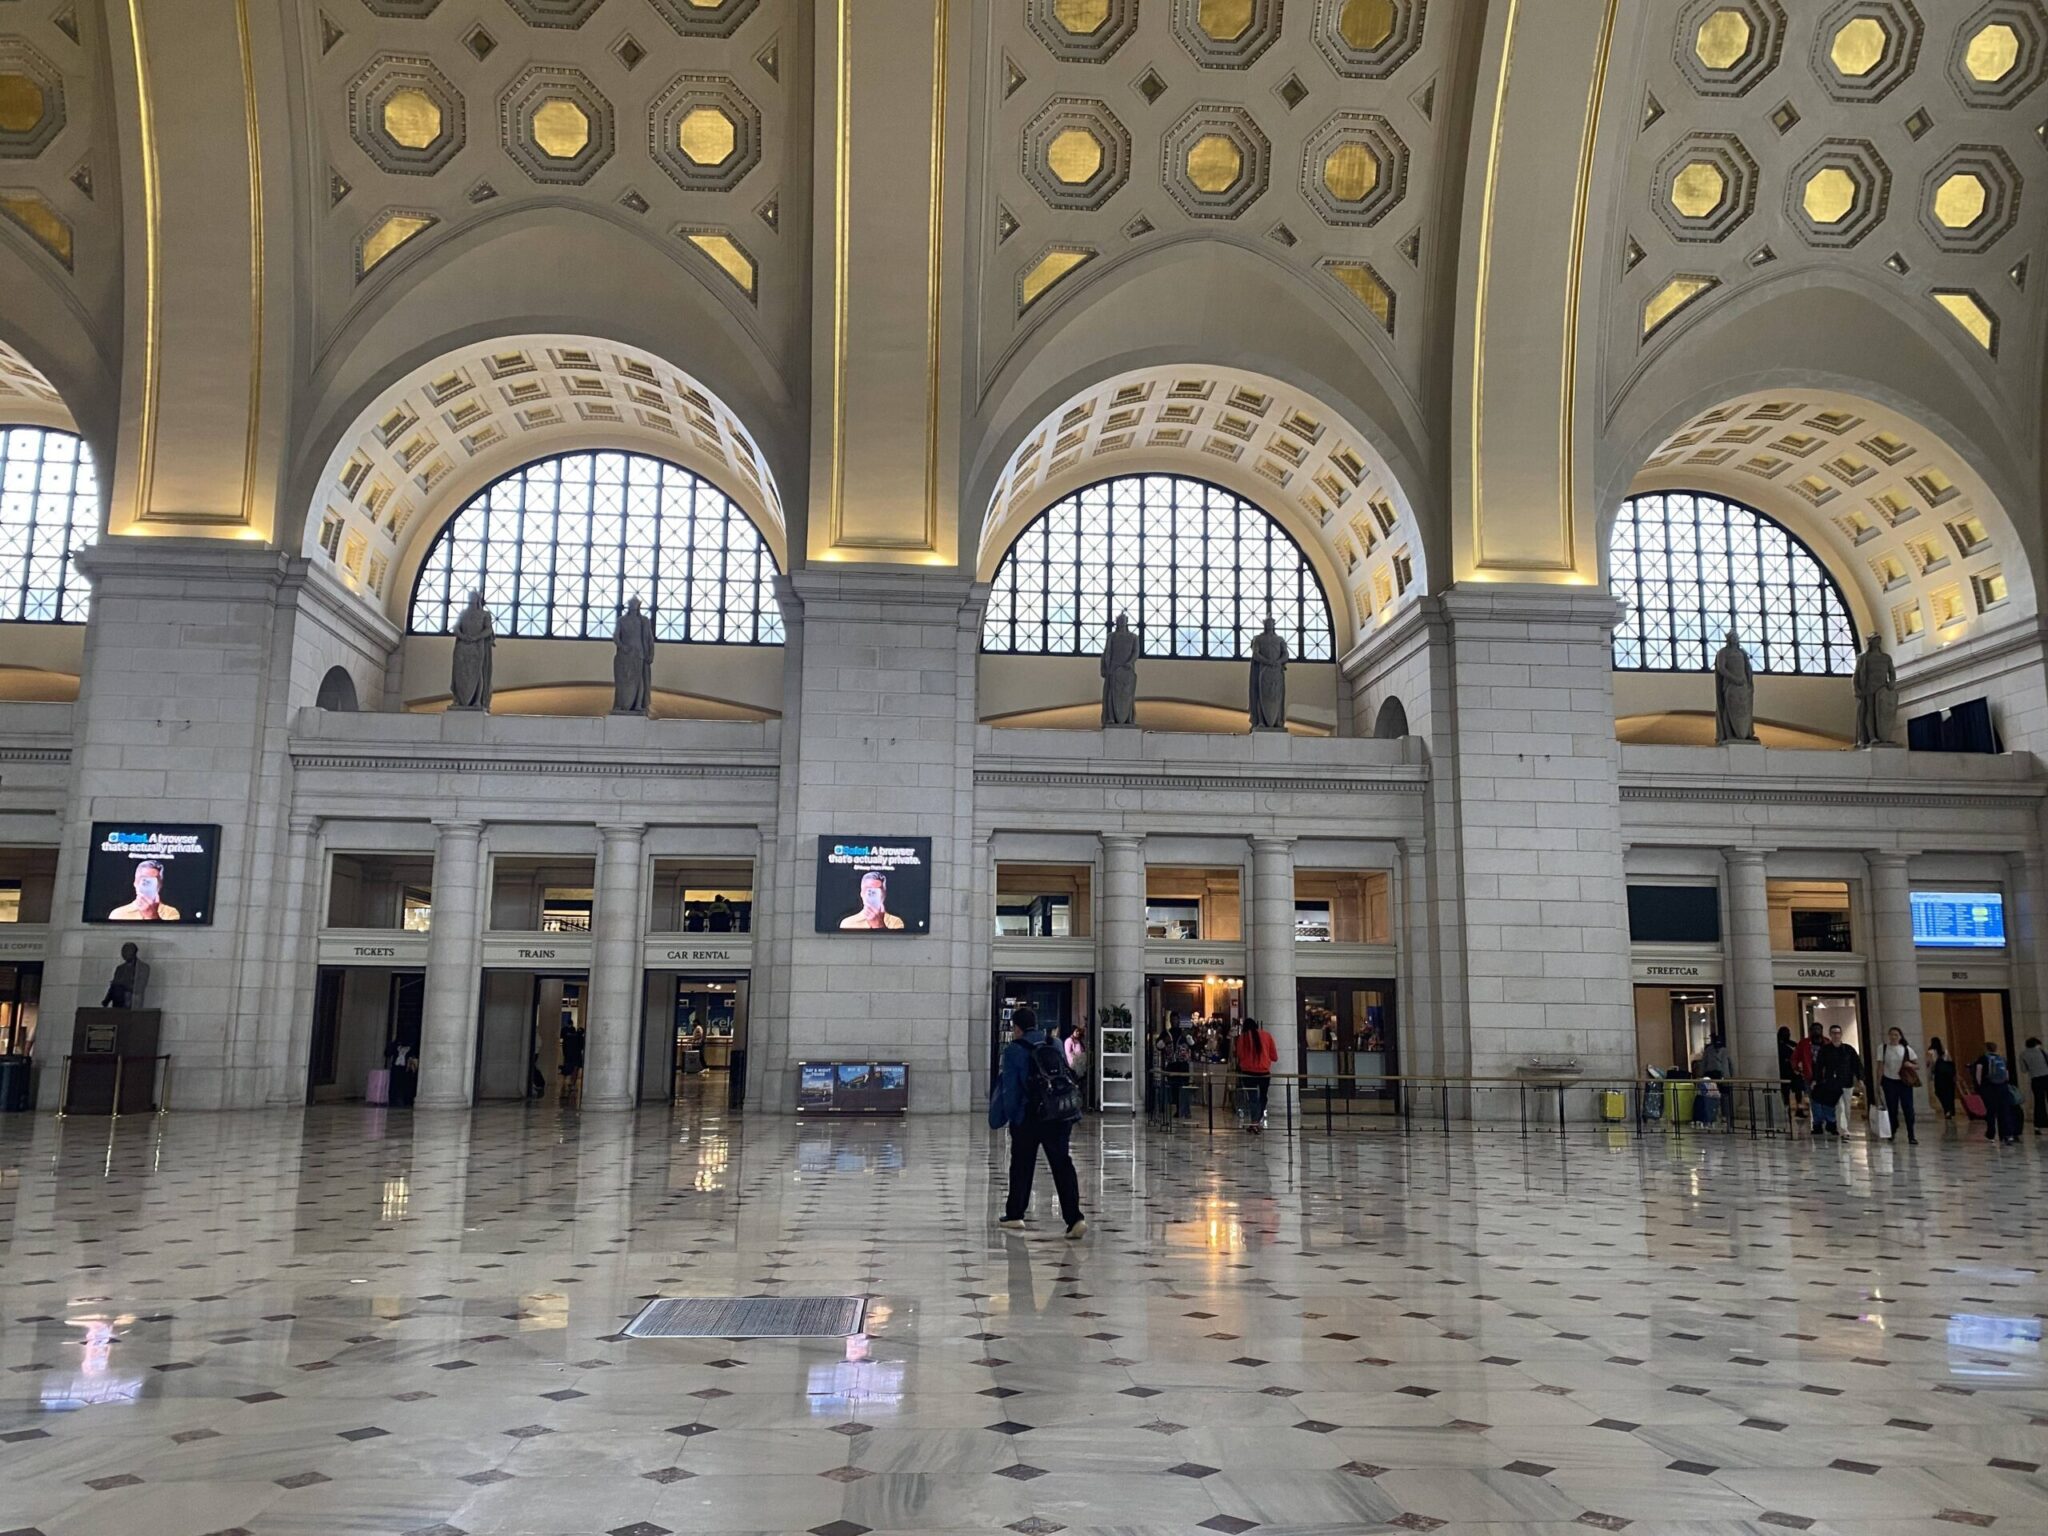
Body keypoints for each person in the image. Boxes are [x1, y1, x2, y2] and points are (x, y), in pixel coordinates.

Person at [988, 1006, 1085, 1238]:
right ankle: (1075, 1219)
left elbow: (1010, 1090)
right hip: (1058, 1115)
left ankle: (1015, 1215)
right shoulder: (1054, 1044)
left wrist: (1013, 1118)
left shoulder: (1014, 1050)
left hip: (1029, 1117)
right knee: (1062, 1165)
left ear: (1017, 1028)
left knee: (1021, 1165)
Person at [1810, 1024, 1859, 1137]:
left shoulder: (1848, 1049)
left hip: (1847, 1082)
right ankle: (1842, 1129)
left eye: (1838, 1033)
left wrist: (1860, 1078)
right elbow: (1819, 1066)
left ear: (1841, 1034)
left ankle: (1844, 1126)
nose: (1836, 1035)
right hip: (1832, 1083)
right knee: (1838, 1106)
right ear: (1830, 1035)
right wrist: (1816, 1080)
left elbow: (1856, 1064)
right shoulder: (1825, 1050)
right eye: (1833, 1033)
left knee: (1846, 1107)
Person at [1234, 1016, 1278, 1133]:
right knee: (1263, 1097)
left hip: (1248, 1073)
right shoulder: (1267, 1036)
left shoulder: (1242, 1038)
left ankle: (1254, 1122)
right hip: (1264, 1072)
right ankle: (1256, 1122)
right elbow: (1274, 1057)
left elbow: (1239, 1055)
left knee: (1253, 1098)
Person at [1878, 1026, 1919, 1145]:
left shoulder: (1906, 1049)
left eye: (1896, 1035)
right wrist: (1878, 1082)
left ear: (1900, 1036)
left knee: (1908, 1108)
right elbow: (1880, 1066)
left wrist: (1910, 1065)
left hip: (1904, 1082)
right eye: (1891, 1034)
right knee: (1892, 1108)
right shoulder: (1883, 1048)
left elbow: (1917, 1065)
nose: (1893, 1037)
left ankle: (1911, 1134)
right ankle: (1892, 1130)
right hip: (1889, 1081)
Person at [1978, 1041, 2023, 1145]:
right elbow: (2006, 1076)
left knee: (1991, 1111)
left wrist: (1980, 1086)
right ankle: (2007, 1135)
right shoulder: (2002, 1059)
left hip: (1989, 1087)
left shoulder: (1983, 1059)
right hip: (2002, 1087)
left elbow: (1978, 1074)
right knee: (2004, 1110)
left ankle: (1991, 1134)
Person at [109, 860, 181, 921]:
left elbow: (167, 936)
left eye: (152, 881)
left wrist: (152, 916)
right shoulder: (118, 914)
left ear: (160, 885)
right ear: (135, 883)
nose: (147, 884)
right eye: (144, 880)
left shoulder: (171, 913)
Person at [838, 870, 906, 930]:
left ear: (884, 894)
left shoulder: (895, 922)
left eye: (877, 891)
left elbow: (892, 944)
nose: (873, 894)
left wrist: (879, 924)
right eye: (869, 890)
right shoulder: (848, 923)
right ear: (861, 893)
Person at [2021, 1036, 2048, 1133]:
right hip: (2046, 1077)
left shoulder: (2023, 1054)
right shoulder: (2041, 1051)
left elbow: (2023, 1070)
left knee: (2038, 1102)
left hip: (2035, 1079)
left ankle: (2038, 1125)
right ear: (2037, 1044)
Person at [1927, 1036, 1956, 1121]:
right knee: (1949, 1093)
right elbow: (1950, 1061)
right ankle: (1950, 1109)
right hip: (1948, 1075)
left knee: (1939, 1092)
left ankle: (1946, 1109)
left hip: (1938, 1075)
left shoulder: (1930, 1052)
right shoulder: (1945, 1051)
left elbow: (1929, 1064)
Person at [1776, 1025, 1801, 1112]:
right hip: (1783, 1071)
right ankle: (1786, 1106)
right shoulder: (1777, 1045)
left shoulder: (1793, 1044)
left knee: (1798, 1090)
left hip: (1794, 1071)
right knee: (1785, 1091)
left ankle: (1799, 1106)